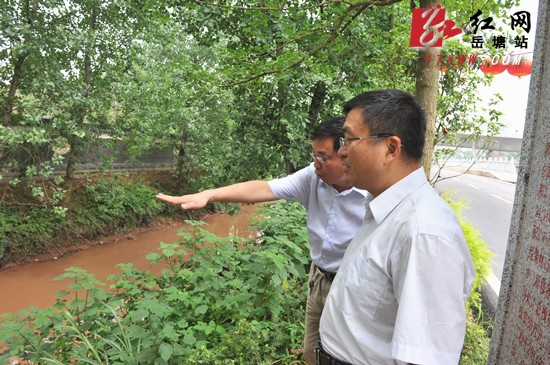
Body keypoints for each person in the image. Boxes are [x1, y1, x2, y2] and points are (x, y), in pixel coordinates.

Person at [156, 117, 367, 365]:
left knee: (347, 354)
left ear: (344, 155)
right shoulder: (312, 177)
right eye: (314, 155)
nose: (315, 164)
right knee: (312, 351)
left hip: (351, 284)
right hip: (318, 279)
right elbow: (263, 189)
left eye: (322, 157)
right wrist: (209, 194)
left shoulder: (371, 192)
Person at [318, 90, 476, 365]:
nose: (341, 151)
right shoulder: (383, 208)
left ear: (390, 148)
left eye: (349, 139)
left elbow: (426, 358)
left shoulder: (424, 233)